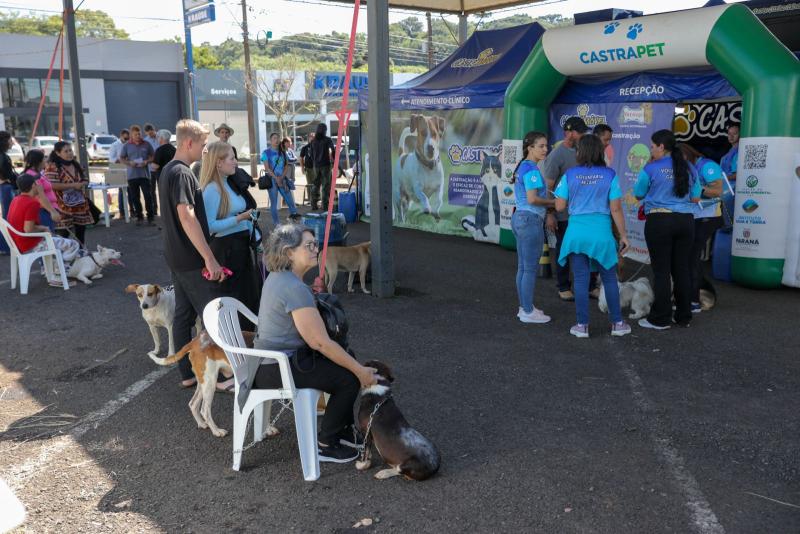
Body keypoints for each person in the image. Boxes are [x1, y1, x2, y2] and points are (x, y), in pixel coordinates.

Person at [243, 224, 378, 463]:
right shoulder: (294, 288)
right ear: (288, 252)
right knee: (348, 378)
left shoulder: (280, 277)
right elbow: (320, 343)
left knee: (347, 357)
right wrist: (360, 371)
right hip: (275, 368)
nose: (316, 249)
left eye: (315, 243)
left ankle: (342, 430)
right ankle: (326, 443)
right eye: (309, 245)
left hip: (266, 363)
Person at [158, 119, 232, 390]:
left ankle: (187, 374)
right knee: (212, 315)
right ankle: (223, 376)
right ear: (189, 142)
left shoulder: (168, 170)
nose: (204, 150)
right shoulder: (181, 173)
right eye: (202, 144)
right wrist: (209, 258)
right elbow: (187, 217)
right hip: (190, 258)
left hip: (176, 256)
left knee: (183, 316)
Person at [554, 134, 631, 338]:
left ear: (580, 152)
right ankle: (617, 323)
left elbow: (560, 206)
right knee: (609, 279)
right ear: (600, 151)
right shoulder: (610, 175)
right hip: (602, 234)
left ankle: (582, 326)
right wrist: (623, 235)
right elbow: (616, 209)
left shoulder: (569, 175)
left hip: (576, 233)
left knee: (580, 279)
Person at [634, 130, 702, 330]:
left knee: (661, 271)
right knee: (681, 269)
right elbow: (696, 198)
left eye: (652, 146)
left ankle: (661, 318)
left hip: (660, 220)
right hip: (686, 221)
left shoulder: (651, 168)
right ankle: (683, 316)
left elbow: (638, 194)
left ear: (661, 147)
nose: (651, 149)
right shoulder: (689, 167)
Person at [200, 141, 260, 328]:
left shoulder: (229, 184)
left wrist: (251, 227)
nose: (235, 162)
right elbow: (210, 227)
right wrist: (240, 218)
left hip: (240, 247)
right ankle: (235, 345)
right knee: (233, 299)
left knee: (247, 297)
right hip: (226, 251)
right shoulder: (211, 189)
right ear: (218, 163)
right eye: (231, 159)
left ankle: (247, 343)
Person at [541, 116, 599, 301]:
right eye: (580, 132)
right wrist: (550, 214)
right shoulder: (557, 154)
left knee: (588, 249)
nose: (583, 135)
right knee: (564, 250)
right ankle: (563, 286)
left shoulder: (583, 151)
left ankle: (590, 286)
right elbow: (548, 187)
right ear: (570, 132)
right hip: (563, 213)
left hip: (583, 213)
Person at [511, 131, 554, 324]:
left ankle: (525, 307)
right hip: (529, 220)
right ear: (530, 148)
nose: (546, 149)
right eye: (541, 146)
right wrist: (553, 202)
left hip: (521, 219)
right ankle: (527, 311)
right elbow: (532, 199)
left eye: (546, 146)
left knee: (523, 267)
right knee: (528, 269)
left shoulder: (524, 167)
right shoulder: (531, 170)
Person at [6, 173, 79, 287]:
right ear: (34, 185)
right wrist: (43, 228)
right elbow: (28, 229)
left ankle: (55, 271)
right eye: (37, 183)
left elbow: (25, 227)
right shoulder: (32, 203)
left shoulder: (16, 199)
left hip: (16, 242)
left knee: (58, 240)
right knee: (73, 245)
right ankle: (58, 276)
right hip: (28, 244)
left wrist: (42, 228)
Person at [677, 143, 724, 314]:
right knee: (689, 257)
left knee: (692, 257)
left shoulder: (707, 165)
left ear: (686, 155)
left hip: (709, 216)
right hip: (696, 216)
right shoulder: (692, 167)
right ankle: (690, 297)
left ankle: (694, 301)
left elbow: (718, 190)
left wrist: (695, 187)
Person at [45, 141, 92, 245]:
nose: (69, 153)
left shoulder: (76, 164)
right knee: (63, 236)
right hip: (62, 207)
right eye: (66, 151)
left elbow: (85, 179)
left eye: (70, 150)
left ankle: (81, 255)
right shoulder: (52, 167)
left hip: (80, 205)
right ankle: (62, 259)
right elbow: (52, 185)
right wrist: (73, 185)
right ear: (58, 153)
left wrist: (83, 183)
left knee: (81, 235)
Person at [261, 132, 299, 225]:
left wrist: (281, 177)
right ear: (270, 141)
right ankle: (277, 224)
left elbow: (286, 166)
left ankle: (294, 222)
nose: (277, 140)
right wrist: (276, 178)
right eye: (274, 138)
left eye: (278, 138)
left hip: (283, 180)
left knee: (290, 202)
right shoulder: (266, 153)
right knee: (273, 203)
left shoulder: (283, 152)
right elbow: (267, 168)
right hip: (272, 180)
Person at [120, 124, 155, 225]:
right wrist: (129, 163)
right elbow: (122, 158)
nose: (138, 136)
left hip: (144, 175)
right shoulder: (126, 146)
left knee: (148, 196)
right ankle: (139, 217)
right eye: (135, 134)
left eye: (139, 134)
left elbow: (153, 156)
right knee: (135, 198)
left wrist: (146, 161)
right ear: (131, 135)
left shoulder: (146, 144)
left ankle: (151, 217)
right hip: (132, 176)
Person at [21, 149, 61, 232]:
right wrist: (53, 211)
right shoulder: (32, 175)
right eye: (44, 158)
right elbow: (40, 196)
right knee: (49, 238)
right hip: (43, 211)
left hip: (46, 210)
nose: (45, 160)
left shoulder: (37, 173)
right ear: (38, 161)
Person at [0, 131, 19, 254]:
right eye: (10, 140)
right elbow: (6, 173)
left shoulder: (3, 155)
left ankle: (4, 246)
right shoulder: (2, 156)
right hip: (6, 187)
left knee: (6, 217)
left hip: (5, 186)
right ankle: (5, 247)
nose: (12, 142)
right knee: (8, 217)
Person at [310, 124, 335, 211]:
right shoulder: (327, 140)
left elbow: (311, 154)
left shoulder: (313, 141)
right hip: (326, 165)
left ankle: (313, 204)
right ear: (324, 130)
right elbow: (333, 150)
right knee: (325, 185)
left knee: (315, 184)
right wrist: (334, 160)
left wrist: (314, 162)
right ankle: (325, 206)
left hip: (316, 166)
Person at [151, 129, 175, 214]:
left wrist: (150, 164)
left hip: (162, 177)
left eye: (158, 137)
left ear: (161, 138)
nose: (157, 139)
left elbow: (155, 166)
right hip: (173, 176)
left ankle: (166, 217)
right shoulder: (173, 149)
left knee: (164, 199)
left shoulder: (159, 150)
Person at [299, 133, 316, 208]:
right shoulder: (305, 147)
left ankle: (317, 199)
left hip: (317, 168)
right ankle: (310, 199)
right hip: (308, 168)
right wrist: (302, 167)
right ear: (308, 138)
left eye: (313, 137)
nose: (312, 138)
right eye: (310, 137)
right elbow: (301, 158)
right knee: (309, 184)